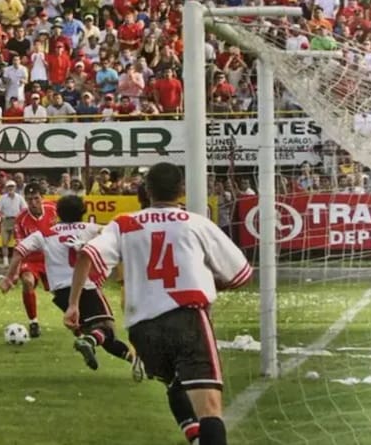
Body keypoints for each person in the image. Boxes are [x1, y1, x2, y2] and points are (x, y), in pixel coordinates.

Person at [65, 162, 253, 445]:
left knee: (176, 383)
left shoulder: (124, 224)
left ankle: (193, 437)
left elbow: (86, 255)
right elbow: (241, 274)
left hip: (143, 329)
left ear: (146, 190)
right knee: (210, 409)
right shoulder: (195, 222)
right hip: (186, 318)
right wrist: (206, 283)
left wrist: (73, 305)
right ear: (181, 190)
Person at [0, 194, 143, 376]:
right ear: (83, 211)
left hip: (60, 292)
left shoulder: (45, 233)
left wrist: (9, 277)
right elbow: (117, 237)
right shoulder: (91, 228)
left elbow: (19, 251)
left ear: (57, 213)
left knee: (100, 334)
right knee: (106, 329)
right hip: (85, 286)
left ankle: (136, 361)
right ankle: (90, 342)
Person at [10, 183, 57, 338]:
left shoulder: (54, 209)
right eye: (29, 199)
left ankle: (75, 318)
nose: (33, 203)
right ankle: (33, 322)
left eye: (36, 198)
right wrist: (15, 273)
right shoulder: (20, 220)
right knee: (27, 282)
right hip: (31, 260)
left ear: (42, 197)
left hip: (52, 257)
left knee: (61, 291)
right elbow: (19, 247)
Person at [0, 180, 26, 267]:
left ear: (15, 187)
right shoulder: (2, 198)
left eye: (12, 186)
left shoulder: (19, 197)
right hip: (6, 221)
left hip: (16, 221)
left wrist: (20, 218)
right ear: (6, 188)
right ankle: (5, 262)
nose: (10, 188)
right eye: (9, 187)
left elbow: (24, 209)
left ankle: (18, 260)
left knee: (18, 242)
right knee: (4, 242)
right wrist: (2, 216)